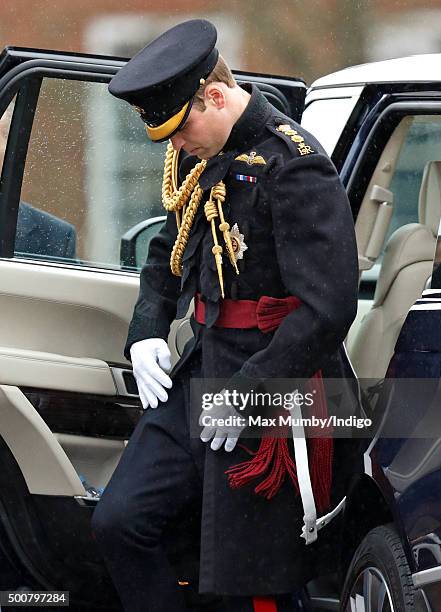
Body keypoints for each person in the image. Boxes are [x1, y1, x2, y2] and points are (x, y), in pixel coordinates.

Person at [91, 18, 361, 612]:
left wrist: (248, 392)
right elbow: (168, 249)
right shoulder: (204, 150)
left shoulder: (295, 164)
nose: (176, 147)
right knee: (119, 522)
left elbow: (327, 308)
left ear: (214, 95)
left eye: (179, 129)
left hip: (275, 386)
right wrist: (146, 330)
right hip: (204, 370)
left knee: (253, 583)